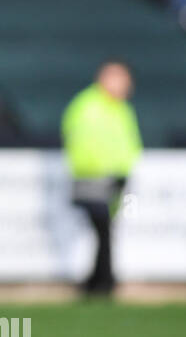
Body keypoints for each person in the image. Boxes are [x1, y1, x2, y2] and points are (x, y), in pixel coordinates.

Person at [61, 62, 143, 297]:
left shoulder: (120, 108)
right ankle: (103, 281)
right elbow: (83, 145)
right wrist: (104, 170)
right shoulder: (88, 106)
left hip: (115, 179)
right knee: (104, 231)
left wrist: (123, 171)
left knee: (105, 232)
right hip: (93, 180)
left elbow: (129, 143)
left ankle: (98, 281)